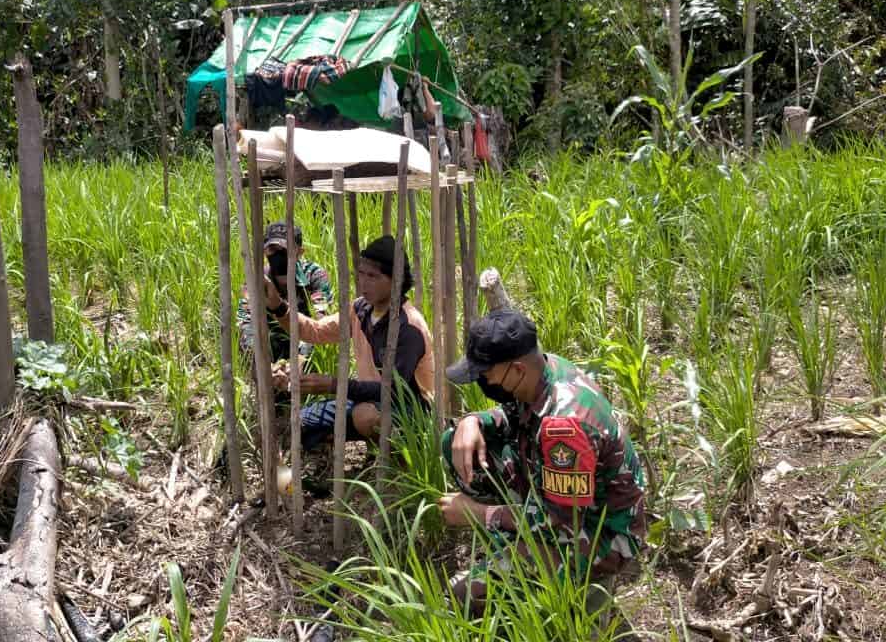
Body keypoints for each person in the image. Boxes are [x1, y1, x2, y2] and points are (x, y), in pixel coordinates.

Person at [437, 309, 645, 636]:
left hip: (598, 533)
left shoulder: (565, 426)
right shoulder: (543, 369)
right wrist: (472, 421)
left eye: (485, 376)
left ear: (516, 370)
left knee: (463, 596)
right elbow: (510, 413)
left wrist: (482, 514)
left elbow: (561, 523)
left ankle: (581, 595)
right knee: (456, 444)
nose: (481, 383)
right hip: (555, 492)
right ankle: (518, 549)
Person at [265, 235, 434, 451]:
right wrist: (278, 306)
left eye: (372, 276)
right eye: (360, 274)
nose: (363, 282)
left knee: (365, 416)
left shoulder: (409, 326)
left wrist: (335, 385)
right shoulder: (360, 310)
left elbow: (393, 390)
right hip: (364, 398)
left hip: (411, 411)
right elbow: (316, 331)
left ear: (396, 280)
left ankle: (400, 456)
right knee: (300, 422)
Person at [237, 221, 333, 374]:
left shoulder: (315, 276)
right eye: (272, 248)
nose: (277, 254)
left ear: (299, 252)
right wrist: (263, 364)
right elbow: (245, 323)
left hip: (306, 343)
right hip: (271, 348)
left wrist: (300, 359)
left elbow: (319, 322)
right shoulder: (258, 280)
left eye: (284, 249)